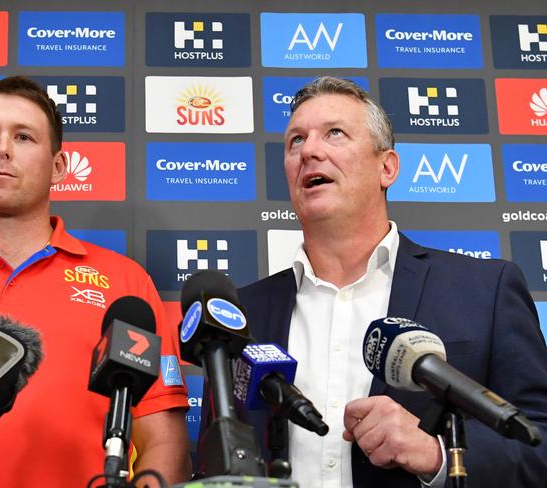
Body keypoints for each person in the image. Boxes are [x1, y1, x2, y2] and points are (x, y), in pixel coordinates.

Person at [232, 77, 547, 487]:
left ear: (387, 167)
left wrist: (437, 455)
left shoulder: (485, 290)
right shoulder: (243, 312)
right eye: (296, 141)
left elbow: (539, 443)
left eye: (335, 133)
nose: (309, 150)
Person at [0, 76, 191, 487]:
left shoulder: (124, 282)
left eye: (23, 137)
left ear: (58, 166)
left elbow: (164, 441)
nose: (2, 149)